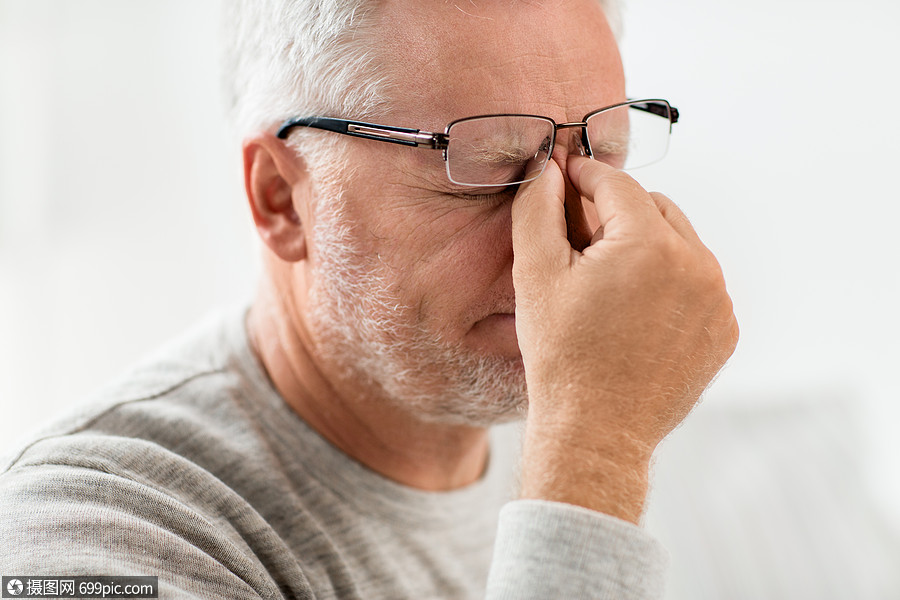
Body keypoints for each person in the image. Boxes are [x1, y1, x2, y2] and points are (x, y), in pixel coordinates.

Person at [0, 0, 738, 598]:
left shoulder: (618, 429)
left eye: (600, 155)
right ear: (281, 198)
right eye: (482, 166)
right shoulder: (87, 529)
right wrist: (594, 452)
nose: (578, 233)